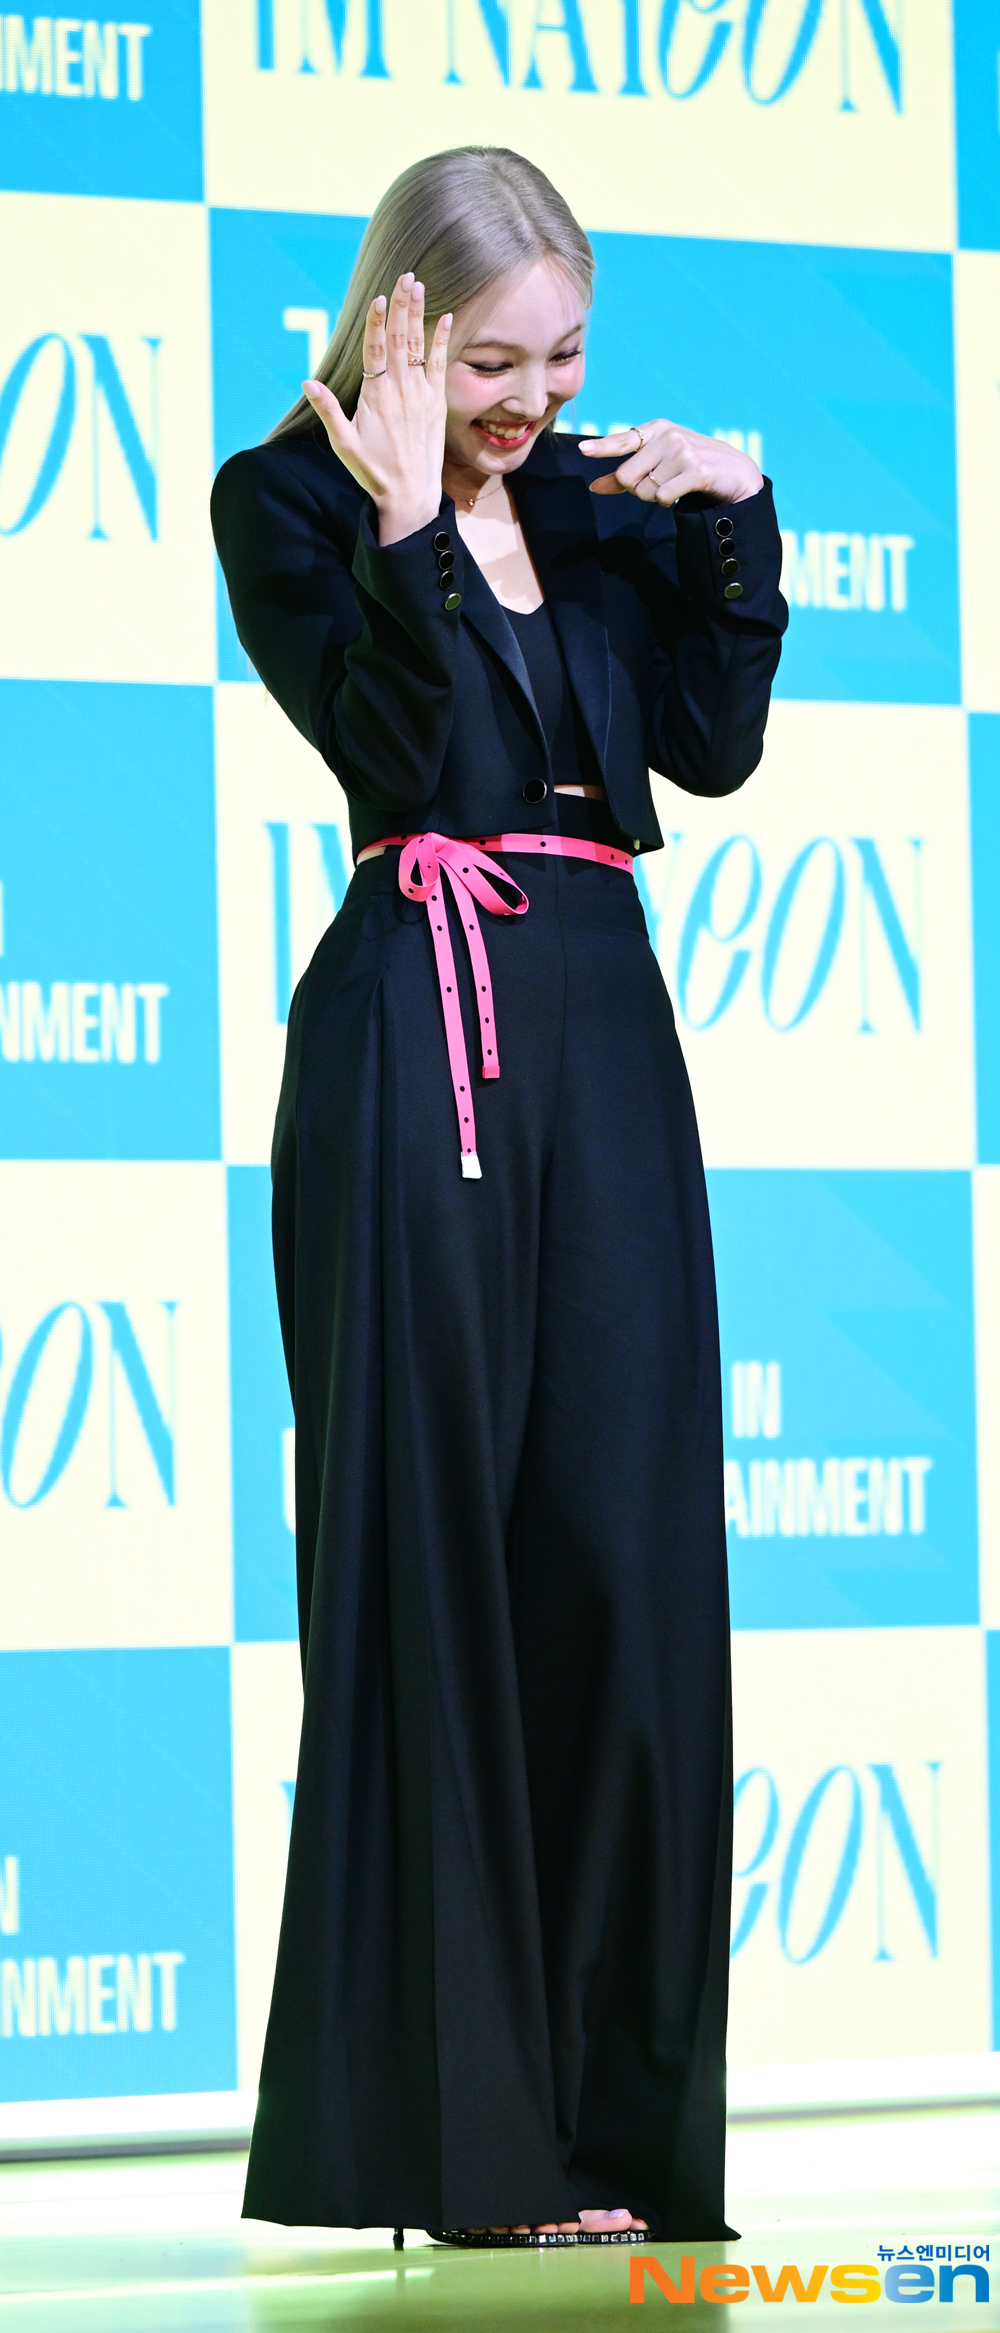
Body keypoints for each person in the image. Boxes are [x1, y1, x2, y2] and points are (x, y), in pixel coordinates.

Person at [212, 143, 787, 2248]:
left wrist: (730, 516)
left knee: (626, 1564)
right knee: (430, 1559)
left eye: (564, 358)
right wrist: (398, 526)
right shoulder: (286, 502)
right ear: (401, 322)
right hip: (414, 1030)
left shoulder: (596, 506)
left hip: (603, 1023)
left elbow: (707, 747)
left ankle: (618, 2135)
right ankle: (469, 2155)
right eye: (490, 363)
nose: (532, 400)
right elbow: (403, 745)